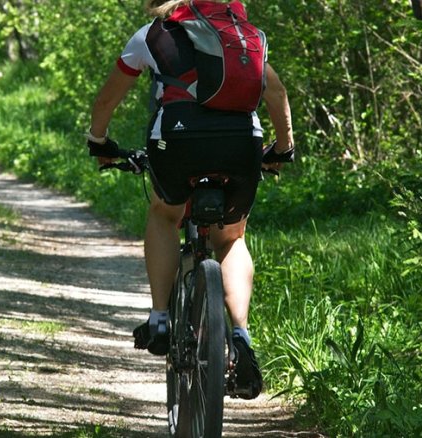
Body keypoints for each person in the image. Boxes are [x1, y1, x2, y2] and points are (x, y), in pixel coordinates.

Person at [86, 0, 294, 399]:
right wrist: (282, 148)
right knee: (231, 238)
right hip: (241, 143)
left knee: (165, 214)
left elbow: (107, 100)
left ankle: (160, 318)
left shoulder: (152, 34)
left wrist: (99, 141)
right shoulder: (241, 35)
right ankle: (241, 334)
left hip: (178, 140)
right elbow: (276, 91)